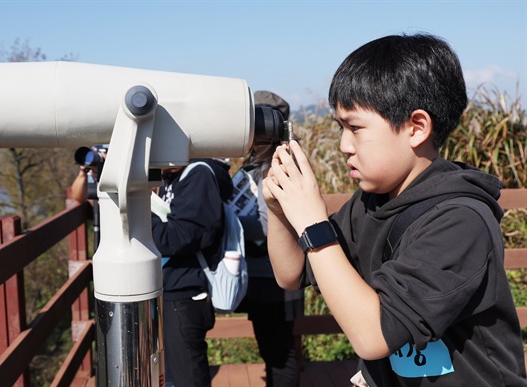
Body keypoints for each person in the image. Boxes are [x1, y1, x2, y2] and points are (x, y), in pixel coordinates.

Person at [263, 33, 527, 386]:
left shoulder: (461, 220)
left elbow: (374, 336)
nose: (344, 145)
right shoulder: (371, 201)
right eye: (340, 128)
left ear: (416, 128)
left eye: (355, 128)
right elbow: (291, 274)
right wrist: (281, 212)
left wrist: (312, 220)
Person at [235, 90, 303, 387]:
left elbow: (266, 226)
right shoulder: (258, 163)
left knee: (280, 352)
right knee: (272, 347)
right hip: (263, 274)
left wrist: (226, 222)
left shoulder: (279, 166)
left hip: (273, 276)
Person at [151, 157, 234, 387]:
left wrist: (141, 213)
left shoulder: (198, 175)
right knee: (173, 376)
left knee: (188, 378)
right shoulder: (173, 177)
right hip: (173, 291)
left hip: (186, 296)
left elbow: (180, 236)